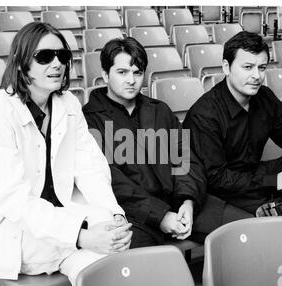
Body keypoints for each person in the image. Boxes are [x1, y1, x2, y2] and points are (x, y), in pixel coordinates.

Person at [0, 22, 132, 286]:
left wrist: (113, 216)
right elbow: (14, 199)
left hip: (58, 218)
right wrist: (81, 236)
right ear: (21, 63)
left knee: (111, 257)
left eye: (62, 56)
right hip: (11, 228)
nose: (57, 63)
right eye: (44, 57)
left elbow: (91, 169)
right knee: (95, 252)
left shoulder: (69, 104)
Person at [83, 37, 228, 246]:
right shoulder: (89, 120)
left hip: (179, 203)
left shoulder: (160, 110)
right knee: (153, 268)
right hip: (132, 215)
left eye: (137, 72)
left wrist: (188, 201)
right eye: (122, 72)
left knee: (245, 229)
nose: (131, 80)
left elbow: (185, 159)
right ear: (105, 75)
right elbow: (112, 182)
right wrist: (160, 216)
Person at [183, 31, 282, 220]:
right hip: (224, 188)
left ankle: (278, 206)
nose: (256, 76)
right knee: (235, 196)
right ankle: (281, 205)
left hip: (255, 174)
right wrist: (274, 181)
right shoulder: (204, 114)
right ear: (226, 67)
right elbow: (217, 179)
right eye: (248, 67)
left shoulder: (264, 96)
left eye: (262, 68)